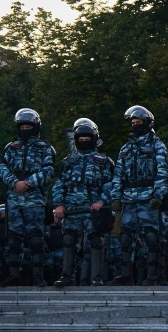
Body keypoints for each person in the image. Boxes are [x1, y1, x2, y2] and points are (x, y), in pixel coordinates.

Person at [109, 106, 168, 286]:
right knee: (126, 237)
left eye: (139, 123)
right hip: (129, 197)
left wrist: (159, 194)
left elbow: (162, 172)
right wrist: (115, 196)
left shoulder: (157, 145)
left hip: (149, 197)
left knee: (152, 236)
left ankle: (153, 275)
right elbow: (118, 174)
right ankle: (125, 274)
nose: (136, 126)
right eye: (133, 123)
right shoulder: (126, 147)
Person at [51, 118, 114, 287]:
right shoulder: (68, 162)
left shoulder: (104, 162)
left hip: (93, 209)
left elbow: (110, 184)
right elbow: (59, 184)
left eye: (87, 139)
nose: (84, 141)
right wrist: (58, 204)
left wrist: (102, 201)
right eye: (81, 139)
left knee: (96, 240)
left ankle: (97, 277)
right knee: (69, 240)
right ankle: (66, 276)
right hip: (72, 210)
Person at [0, 108, 56, 287]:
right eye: (22, 126)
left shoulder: (45, 148)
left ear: (36, 127)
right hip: (14, 198)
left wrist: (28, 183)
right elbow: (2, 168)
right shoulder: (10, 147)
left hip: (34, 198)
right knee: (13, 238)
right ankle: (13, 274)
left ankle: (38, 275)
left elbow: (49, 170)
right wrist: (14, 182)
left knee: (36, 238)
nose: (25, 128)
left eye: (29, 125)